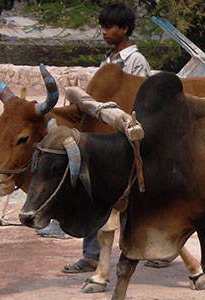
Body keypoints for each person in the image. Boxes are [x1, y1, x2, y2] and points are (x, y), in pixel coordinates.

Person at [63, 2, 153, 273]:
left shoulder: (136, 62)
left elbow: (140, 99)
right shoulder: (108, 61)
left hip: (125, 138)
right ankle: (92, 255)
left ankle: (153, 249)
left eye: (108, 27)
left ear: (124, 28)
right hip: (103, 137)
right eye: (102, 27)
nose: (103, 32)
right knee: (95, 191)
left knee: (137, 199)